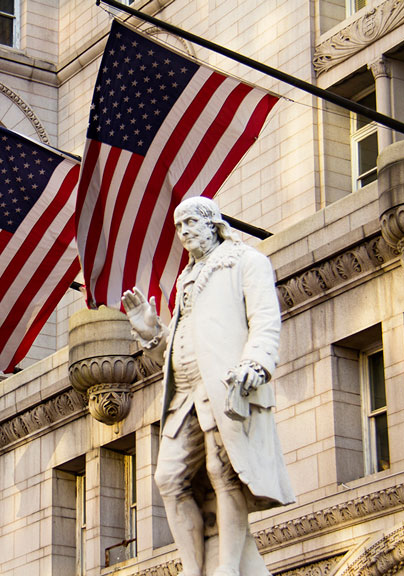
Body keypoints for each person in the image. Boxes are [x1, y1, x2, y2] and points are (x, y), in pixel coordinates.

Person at [121, 196, 294, 576]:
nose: (184, 233)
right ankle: (193, 568)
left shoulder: (245, 261)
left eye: (191, 224)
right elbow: (187, 340)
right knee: (168, 478)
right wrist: (151, 333)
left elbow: (265, 320)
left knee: (224, 470)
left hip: (226, 387)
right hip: (183, 395)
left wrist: (256, 363)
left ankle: (228, 568)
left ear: (213, 223)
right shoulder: (187, 277)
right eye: (179, 227)